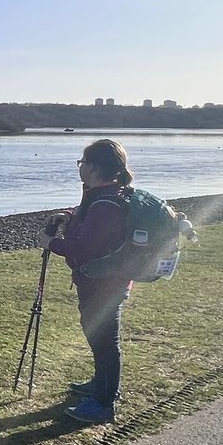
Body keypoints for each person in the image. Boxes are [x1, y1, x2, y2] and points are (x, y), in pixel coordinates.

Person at [39, 138, 136, 425]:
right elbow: (90, 226)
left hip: (105, 284)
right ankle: (100, 385)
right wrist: (67, 216)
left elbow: (86, 247)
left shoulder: (105, 202)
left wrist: (51, 243)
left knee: (105, 340)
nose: (80, 167)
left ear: (94, 167)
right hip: (102, 281)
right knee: (98, 336)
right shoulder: (104, 193)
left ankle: (104, 404)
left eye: (82, 163)